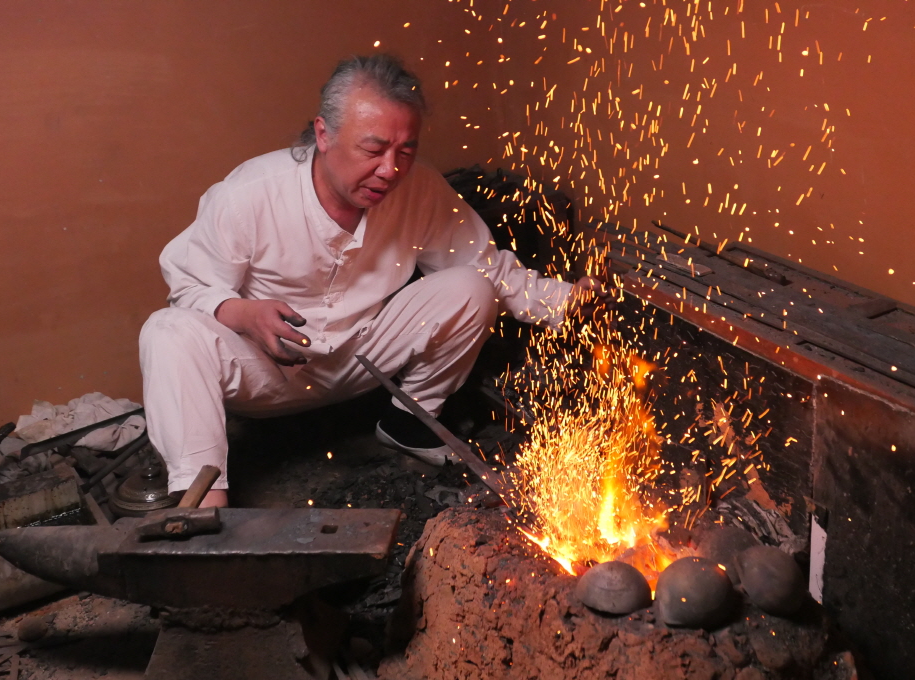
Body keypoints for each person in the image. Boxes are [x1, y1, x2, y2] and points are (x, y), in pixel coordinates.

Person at [139, 54, 595, 508]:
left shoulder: (419, 189)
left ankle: (410, 422)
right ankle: (203, 506)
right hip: (269, 368)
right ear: (323, 134)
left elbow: (487, 267)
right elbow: (189, 287)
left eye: (405, 152)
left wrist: (571, 300)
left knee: (471, 287)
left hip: (364, 359)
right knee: (166, 331)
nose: (390, 170)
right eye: (373, 150)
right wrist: (244, 314)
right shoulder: (249, 193)